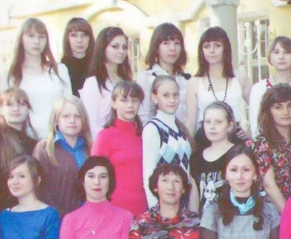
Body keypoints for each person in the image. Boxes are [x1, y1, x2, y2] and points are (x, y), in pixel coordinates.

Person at [91, 80, 150, 218]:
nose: (130, 105)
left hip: (143, 210)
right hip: (113, 212)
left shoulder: (146, 135)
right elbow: (95, 177)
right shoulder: (105, 136)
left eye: (135, 100)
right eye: (124, 100)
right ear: (113, 103)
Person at [6, 17, 71, 141]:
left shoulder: (60, 70)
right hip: (25, 141)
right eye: (31, 36)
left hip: (60, 139)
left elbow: (70, 105)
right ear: (21, 40)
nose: (36, 41)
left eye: (41, 37)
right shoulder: (11, 75)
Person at [247, 35, 291, 142]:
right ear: (270, 57)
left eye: (286, 52)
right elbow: (256, 125)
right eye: (276, 52)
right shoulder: (258, 89)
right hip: (267, 147)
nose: (281, 56)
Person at [252, 84, 291, 212]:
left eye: (290, 105)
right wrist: (290, 217)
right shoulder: (261, 143)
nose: (286, 112)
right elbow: (269, 185)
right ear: (269, 111)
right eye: (278, 107)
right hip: (272, 214)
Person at [32, 96, 93, 216]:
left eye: (77, 116)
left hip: (88, 217)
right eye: (66, 116)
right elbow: (39, 188)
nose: (72, 120)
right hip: (55, 218)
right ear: (56, 120)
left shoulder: (91, 148)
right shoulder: (45, 148)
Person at [0, 88, 36, 215]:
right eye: (9, 104)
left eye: (21, 104)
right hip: (4, 212)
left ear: (28, 109)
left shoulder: (33, 144)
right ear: (1, 110)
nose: (16, 109)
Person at [184, 26, 246, 135]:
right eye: (206, 46)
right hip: (205, 138)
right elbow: (191, 122)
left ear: (225, 48)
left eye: (217, 45)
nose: (211, 51)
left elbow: (260, 109)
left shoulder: (240, 77)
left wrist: (250, 134)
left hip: (234, 137)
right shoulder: (194, 82)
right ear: (201, 50)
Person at [142, 75, 191, 207]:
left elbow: (187, 172)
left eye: (175, 95)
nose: (172, 100)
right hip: (163, 206)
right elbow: (148, 175)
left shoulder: (181, 129)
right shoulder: (153, 129)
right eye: (166, 95)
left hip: (182, 204)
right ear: (154, 98)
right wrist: (155, 211)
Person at [79, 26, 133, 135]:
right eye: (115, 46)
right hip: (103, 140)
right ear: (103, 48)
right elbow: (91, 124)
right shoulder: (93, 83)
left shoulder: (126, 81)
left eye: (124, 47)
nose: (121, 51)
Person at [190, 102, 242, 212]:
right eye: (208, 122)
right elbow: (194, 195)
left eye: (218, 122)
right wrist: (194, 218)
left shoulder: (239, 154)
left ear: (230, 126)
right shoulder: (196, 157)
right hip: (204, 219)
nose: (212, 127)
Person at [135, 22, 189, 123]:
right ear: (156, 48)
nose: (173, 48)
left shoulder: (186, 79)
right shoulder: (147, 77)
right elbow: (143, 117)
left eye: (177, 43)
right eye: (166, 43)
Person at [60, 16, 95, 97]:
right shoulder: (61, 68)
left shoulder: (97, 65)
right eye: (74, 35)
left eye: (84, 35)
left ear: (90, 38)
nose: (79, 40)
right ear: (67, 38)